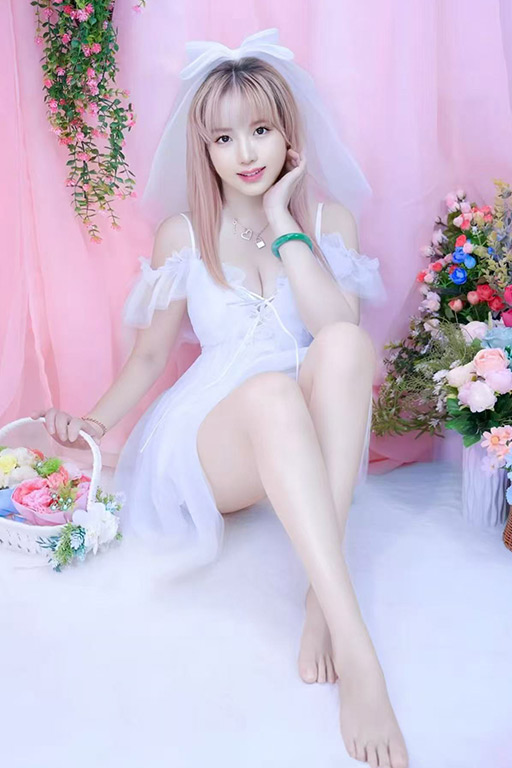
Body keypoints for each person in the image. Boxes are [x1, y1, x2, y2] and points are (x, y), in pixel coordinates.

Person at [33, 30, 407, 768]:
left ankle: (320, 599)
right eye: (224, 138)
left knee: (344, 346)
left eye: (260, 130)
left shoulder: (326, 223)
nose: (245, 154)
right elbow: (149, 357)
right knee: (270, 392)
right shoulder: (183, 234)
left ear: (288, 134)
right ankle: (359, 649)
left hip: (298, 428)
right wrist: (93, 423)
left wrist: (283, 220)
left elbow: (338, 329)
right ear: (203, 150)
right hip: (212, 439)